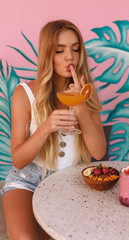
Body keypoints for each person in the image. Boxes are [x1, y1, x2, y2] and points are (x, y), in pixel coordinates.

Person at [1, 20, 106, 240]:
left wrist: (81, 105)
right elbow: (18, 160)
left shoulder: (88, 93)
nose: (70, 56)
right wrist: (46, 128)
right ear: (48, 53)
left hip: (69, 182)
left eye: (75, 49)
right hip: (27, 180)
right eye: (60, 50)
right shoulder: (24, 94)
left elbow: (98, 153)